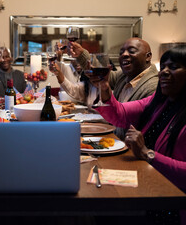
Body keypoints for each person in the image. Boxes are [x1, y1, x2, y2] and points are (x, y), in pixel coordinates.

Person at [95, 45, 186, 225]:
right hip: (149, 188)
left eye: (174, 67)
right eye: (164, 67)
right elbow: (120, 114)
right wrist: (104, 87)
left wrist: (148, 154)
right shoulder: (160, 101)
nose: (164, 72)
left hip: (172, 205)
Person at [51, 40, 98, 105]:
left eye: (79, 59)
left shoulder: (87, 73)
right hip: (67, 103)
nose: (78, 62)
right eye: (75, 59)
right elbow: (58, 66)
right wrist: (59, 55)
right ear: (71, 59)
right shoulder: (66, 68)